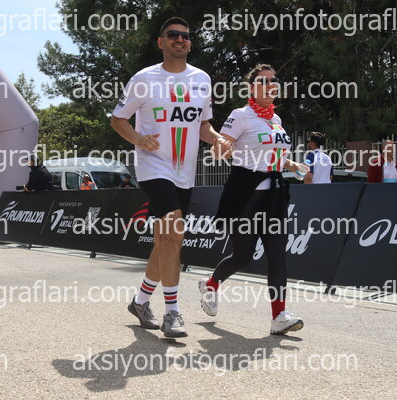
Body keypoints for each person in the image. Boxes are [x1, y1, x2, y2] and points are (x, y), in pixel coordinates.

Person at [111, 17, 230, 338]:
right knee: (175, 230)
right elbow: (118, 119)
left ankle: (140, 301)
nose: (180, 39)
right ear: (161, 42)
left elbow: (203, 125)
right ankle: (173, 312)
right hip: (153, 167)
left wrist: (218, 139)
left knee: (166, 239)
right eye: (173, 35)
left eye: (185, 36)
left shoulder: (202, 79)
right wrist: (138, 139)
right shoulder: (144, 78)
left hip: (184, 173)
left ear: (190, 43)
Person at [198, 64, 305, 335]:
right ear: (252, 88)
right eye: (263, 81)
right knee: (242, 256)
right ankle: (211, 284)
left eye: (273, 80)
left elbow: (275, 156)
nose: (270, 85)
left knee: (277, 254)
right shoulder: (240, 115)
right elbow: (221, 149)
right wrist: (221, 147)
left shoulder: (276, 119)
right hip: (246, 195)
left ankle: (279, 316)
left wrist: (292, 165)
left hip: (275, 195)